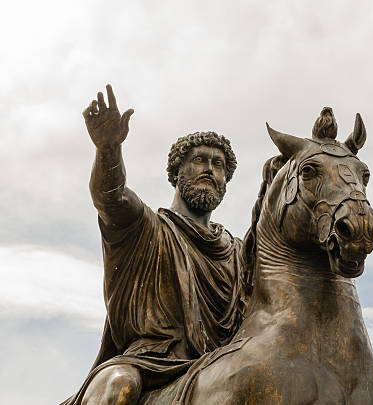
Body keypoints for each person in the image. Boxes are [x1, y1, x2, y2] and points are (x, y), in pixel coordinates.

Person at [61, 85, 251, 405]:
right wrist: (108, 149)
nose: (209, 169)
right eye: (200, 160)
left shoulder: (239, 253)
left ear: (225, 182)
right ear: (177, 172)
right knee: (117, 385)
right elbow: (111, 198)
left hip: (221, 368)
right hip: (149, 361)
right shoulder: (145, 228)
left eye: (218, 165)